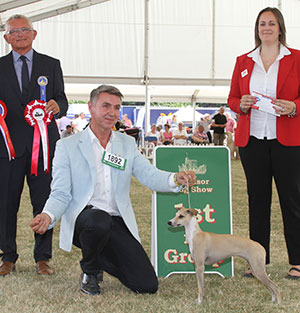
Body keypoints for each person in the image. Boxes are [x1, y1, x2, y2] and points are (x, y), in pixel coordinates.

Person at [30, 85, 196, 296]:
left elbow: (149, 174)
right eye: (106, 106)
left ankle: (98, 257)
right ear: (91, 107)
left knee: (146, 285)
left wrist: (175, 178)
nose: (112, 112)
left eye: (117, 108)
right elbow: (61, 192)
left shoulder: (127, 144)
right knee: (97, 220)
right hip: (85, 220)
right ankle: (90, 271)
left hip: (117, 220)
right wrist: (48, 214)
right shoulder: (67, 146)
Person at [228, 7, 300, 279]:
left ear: (280, 28)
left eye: (271, 23)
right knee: (257, 201)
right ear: (256, 29)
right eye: (262, 24)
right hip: (253, 141)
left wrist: (293, 106)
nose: (266, 27)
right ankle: (258, 261)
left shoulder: (297, 58)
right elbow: (232, 98)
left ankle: (297, 262)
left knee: (291, 200)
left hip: (288, 141)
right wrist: (240, 104)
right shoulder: (243, 61)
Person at [0, 14, 68, 276]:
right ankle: (8, 257)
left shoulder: (51, 64)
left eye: (24, 30)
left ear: (34, 33)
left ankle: (43, 258)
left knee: (44, 202)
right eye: (13, 31)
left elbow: (62, 99)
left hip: (44, 149)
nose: (20, 35)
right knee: (6, 204)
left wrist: (57, 107)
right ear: (6, 38)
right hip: (7, 150)